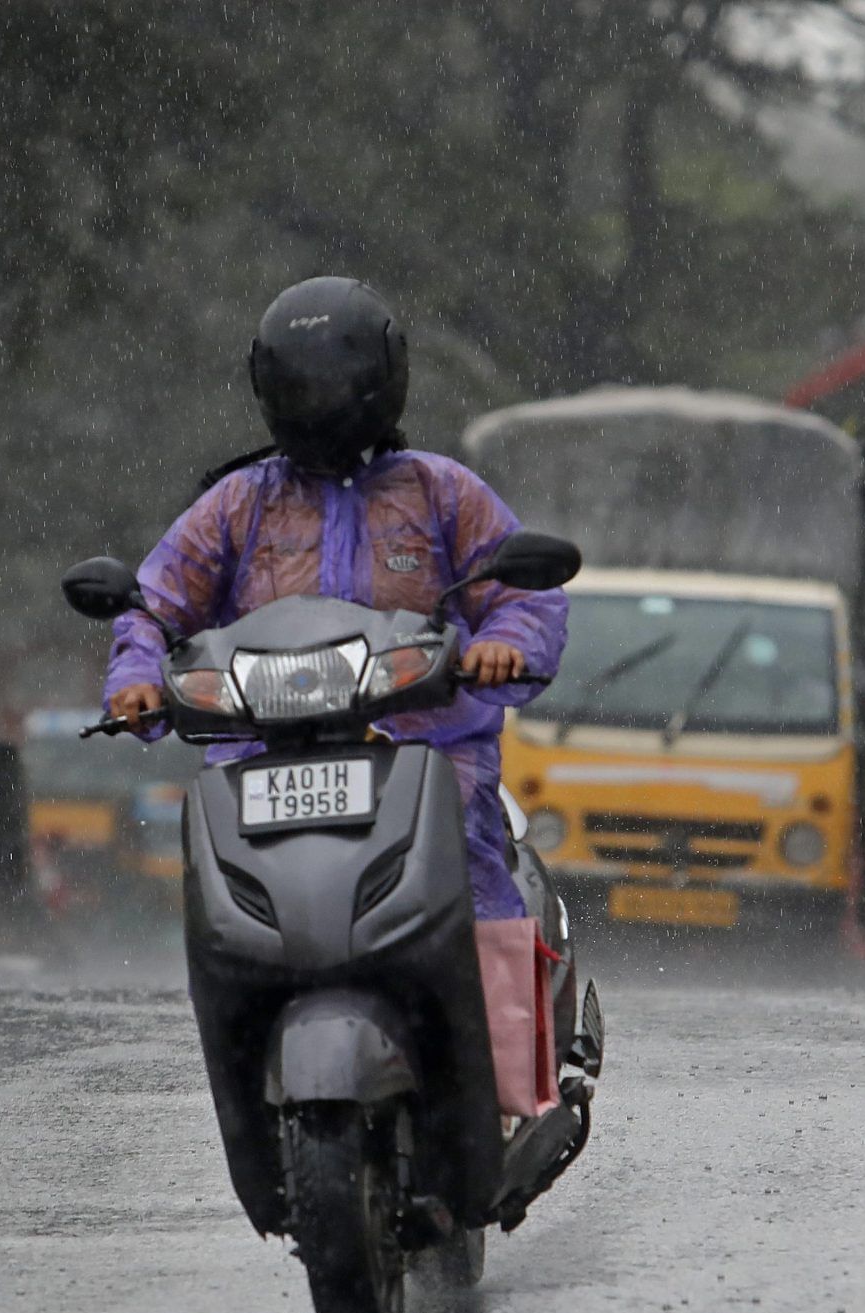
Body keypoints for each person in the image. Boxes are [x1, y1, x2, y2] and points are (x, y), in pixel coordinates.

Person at [101, 276, 567, 925]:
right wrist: (138, 679)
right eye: (301, 387)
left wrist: (504, 646)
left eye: (333, 385)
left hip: (425, 754)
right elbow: (156, 603)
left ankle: (504, 1020)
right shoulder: (238, 502)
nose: (318, 403)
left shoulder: (442, 491)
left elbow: (521, 592)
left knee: (469, 872)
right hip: (261, 756)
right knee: (225, 895)